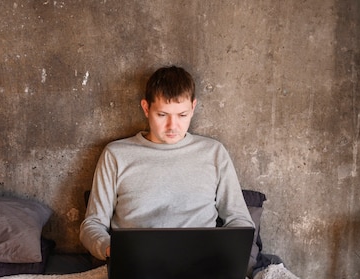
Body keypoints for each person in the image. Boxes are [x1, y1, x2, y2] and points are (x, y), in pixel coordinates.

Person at [80, 65, 254, 260]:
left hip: (202, 264)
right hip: (138, 264)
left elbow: (240, 221)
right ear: (146, 108)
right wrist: (111, 250)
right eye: (162, 115)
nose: (173, 126)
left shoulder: (214, 152)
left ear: (193, 107)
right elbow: (92, 225)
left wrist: (227, 256)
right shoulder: (116, 155)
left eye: (182, 115)